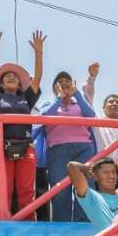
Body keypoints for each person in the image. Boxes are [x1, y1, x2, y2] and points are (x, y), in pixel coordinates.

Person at [0, 28, 43, 221]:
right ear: (0, 84)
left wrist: (38, 53)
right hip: (2, 146)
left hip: (26, 146)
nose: (11, 77)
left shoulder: (26, 99)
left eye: (15, 77)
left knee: (26, 188)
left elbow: (37, 78)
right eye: (7, 76)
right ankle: (1, 220)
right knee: (4, 187)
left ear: (19, 85)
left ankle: (28, 221)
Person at [42, 69, 98, 222]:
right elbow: (45, 116)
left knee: (85, 186)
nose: (65, 83)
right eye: (60, 82)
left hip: (83, 148)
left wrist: (77, 94)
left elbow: (90, 114)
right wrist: (59, 98)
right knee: (60, 189)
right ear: (55, 89)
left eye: (68, 81)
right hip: (58, 150)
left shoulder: (79, 104)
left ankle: (83, 223)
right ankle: (62, 225)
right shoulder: (50, 104)